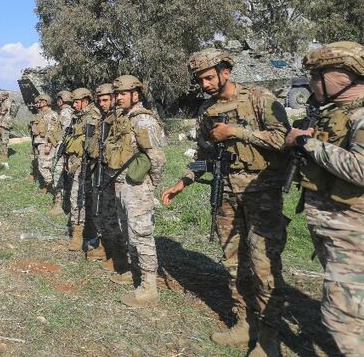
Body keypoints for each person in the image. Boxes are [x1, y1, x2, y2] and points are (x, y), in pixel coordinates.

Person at [162, 49, 290, 354]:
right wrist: (182, 182)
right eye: (200, 79)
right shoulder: (206, 112)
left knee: (264, 266)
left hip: (261, 193)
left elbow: (283, 139)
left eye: (209, 77)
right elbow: (204, 156)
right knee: (234, 264)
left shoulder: (259, 98)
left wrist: (236, 131)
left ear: (226, 71)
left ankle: (270, 338)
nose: (205, 84)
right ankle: (244, 325)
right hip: (226, 195)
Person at [284, 41, 364, 356]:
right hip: (332, 224)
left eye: (318, 75)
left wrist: (307, 143)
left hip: (352, 229)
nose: (312, 82)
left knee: (341, 318)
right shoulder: (332, 113)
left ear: (345, 76)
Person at [104, 75, 166, 308]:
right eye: (117, 93)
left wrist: (150, 185)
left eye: (123, 93)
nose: (118, 97)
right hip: (121, 185)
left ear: (136, 94)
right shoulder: (123, 118)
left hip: (137, 187)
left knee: (141, 235)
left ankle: (149, 287)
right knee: (127, 231)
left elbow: (157, 158)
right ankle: (135, 273)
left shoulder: (143, 121)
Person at [88, 84, 125, 267]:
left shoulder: (120, 118)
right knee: (98, 209)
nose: (102, 103)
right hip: (100, 169)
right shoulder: (103, 118)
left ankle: (117, 254)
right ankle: (104, 245)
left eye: (105, 100)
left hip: (114, 172)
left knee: (112, 213)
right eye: (99, 100)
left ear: (113, 98)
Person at [66, 88, 100, 249]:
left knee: (79, 197)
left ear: (86, 101)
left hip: (86, 164)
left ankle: (80, 233)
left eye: (76, 102)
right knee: (78, 197)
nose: (73, 105)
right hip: (76, 162)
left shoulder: (93, 116)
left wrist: (79, 162)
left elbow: (92, 145)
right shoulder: (77, 117)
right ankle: (79, 231)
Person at [31, 93, 63, 205]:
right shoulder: (41, 114)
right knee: (43, 164)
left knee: (45, 165)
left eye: (39, 102)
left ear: (44, 102)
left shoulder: (52, 115)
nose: (37, 104)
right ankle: (49, 184)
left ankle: (53, 187)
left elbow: (51, 132)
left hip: (46, 143)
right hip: (39, 142)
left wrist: (48, 145)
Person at [53, 90, 75, 216]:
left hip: (63, 147)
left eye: (58, 99)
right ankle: (66, 202)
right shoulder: (70, 111)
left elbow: (66, 131)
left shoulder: (65, 112)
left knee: (58, 174)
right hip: (66, 147)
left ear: (61, 100)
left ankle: (59, 204)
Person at [0, 91, 13, 166]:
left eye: (2, 96)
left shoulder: (7, 102)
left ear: (5, 96)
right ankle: (1, 154)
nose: (0, 97)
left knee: (4, 141)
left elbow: (2, 111)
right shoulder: (3, 102)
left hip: (5, 124)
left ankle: (4, 157)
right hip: (1, 123)